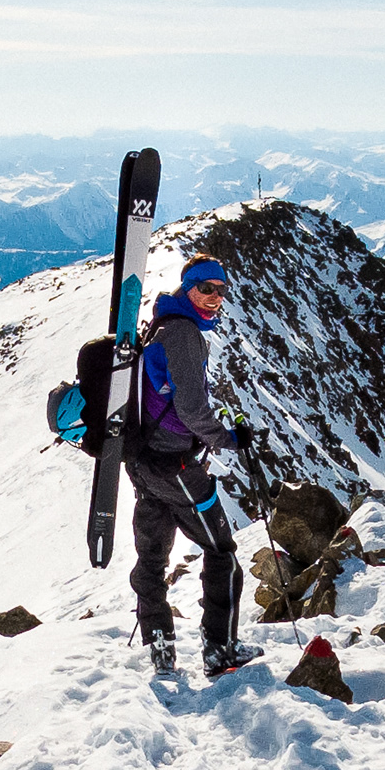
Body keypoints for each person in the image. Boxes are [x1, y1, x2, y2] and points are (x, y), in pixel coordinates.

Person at [127, 254, 258, 676]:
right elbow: (191, 408)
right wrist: (228, 439)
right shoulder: (184, 335)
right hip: (176, 467)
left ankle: (160, 646)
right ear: (188, 289)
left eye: (221, 290)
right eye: (206, 288)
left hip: (144, 464)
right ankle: (219, 649)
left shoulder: (161, 326)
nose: (214, 298)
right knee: (222, 553)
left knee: (151, 560)